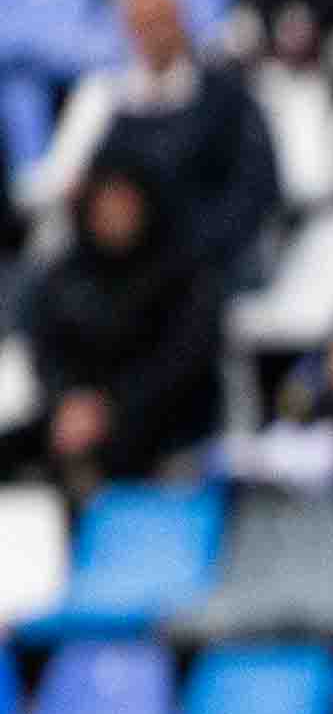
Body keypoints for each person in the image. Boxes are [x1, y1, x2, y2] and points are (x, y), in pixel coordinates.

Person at [17, 0, 279, 290]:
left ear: (182, 19)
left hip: (204, 269)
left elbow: (254, 191)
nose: (153, 34)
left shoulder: (228, 99)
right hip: (118, 272)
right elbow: (68, 181)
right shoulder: (104, 99)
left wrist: (190, 251)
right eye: (141, 24)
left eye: (161, 20)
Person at [19, 161, 220, 499]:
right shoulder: (63, 278)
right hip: (76, 417)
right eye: (105, 205)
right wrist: (68, 400)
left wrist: (112, 407)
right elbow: (46, 354)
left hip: (162, 418)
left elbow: (182, 361)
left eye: (124, 204)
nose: (114, 215)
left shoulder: (184, 276)